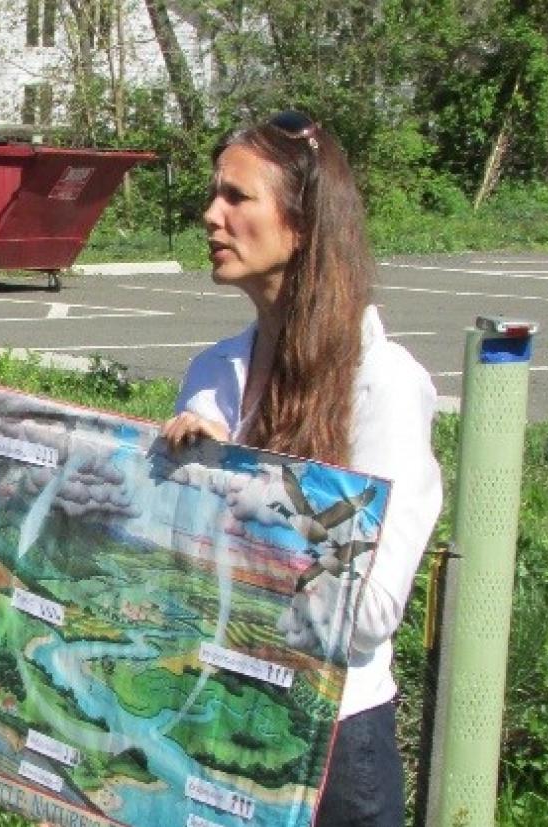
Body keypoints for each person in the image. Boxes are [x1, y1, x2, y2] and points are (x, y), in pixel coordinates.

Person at [160, 111, 442, 826]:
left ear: (305, 222)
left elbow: (368, 615)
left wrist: (242, 490)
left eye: (236, 197)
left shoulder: (382, 385)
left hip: (331, 744)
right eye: (213, 194)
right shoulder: (213, 373)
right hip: (215, 713)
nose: (210, 214)